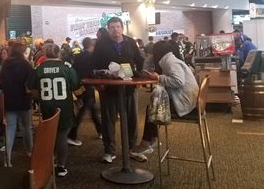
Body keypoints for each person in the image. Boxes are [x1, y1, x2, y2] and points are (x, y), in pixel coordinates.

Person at [132, 41, 199, 158]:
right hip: (189, 100)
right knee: (153, 105)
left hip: (184, 103)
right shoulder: (171, 59)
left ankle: (146, 143)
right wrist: (149, 60)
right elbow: (146, 70)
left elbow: (178, 81)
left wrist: (158, 77)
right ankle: (152, 139)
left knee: (154, 107)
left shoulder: (170, 62)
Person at [92, 17, 145, 163]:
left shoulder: (130, 42)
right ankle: (109, 151)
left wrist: (138, 77)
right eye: (112, 27)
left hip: (128, 87)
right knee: (108, 120)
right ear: (108, 29)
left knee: (132, 119)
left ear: (122, 28)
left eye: (118, 27)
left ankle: (132, 149)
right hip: (108, 88)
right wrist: (99, 82)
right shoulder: (101, 44)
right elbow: (94, 64)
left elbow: (139, 60)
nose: (115, 30)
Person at [28, 43, 79, 177]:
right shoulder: (66, 67)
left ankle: (48, 162)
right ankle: (61, 166)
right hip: (64, 107)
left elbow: (32, 90)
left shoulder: (39, 68)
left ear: (45, 54)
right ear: (59, 54)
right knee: (62, 136)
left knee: (49, 135)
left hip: (46, 107)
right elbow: (76, 86)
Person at [0, 42, 33, 167]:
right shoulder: (26, 65)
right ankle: (30, 151)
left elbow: (2, 81)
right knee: (27, 127)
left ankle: (7, 158)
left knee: (10, 128)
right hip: (24, 100)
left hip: (9, 100)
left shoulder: (5, 64)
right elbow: (30, 83)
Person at [68, 37, 102, 144]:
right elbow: (91, 72)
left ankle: (100, 130)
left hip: (80, 85)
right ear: (91, 45)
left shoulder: (79, 56)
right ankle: (71, 135)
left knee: (91, 109)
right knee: (85, 110)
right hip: (88, 86)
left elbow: (74, 69)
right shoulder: (90, 57)